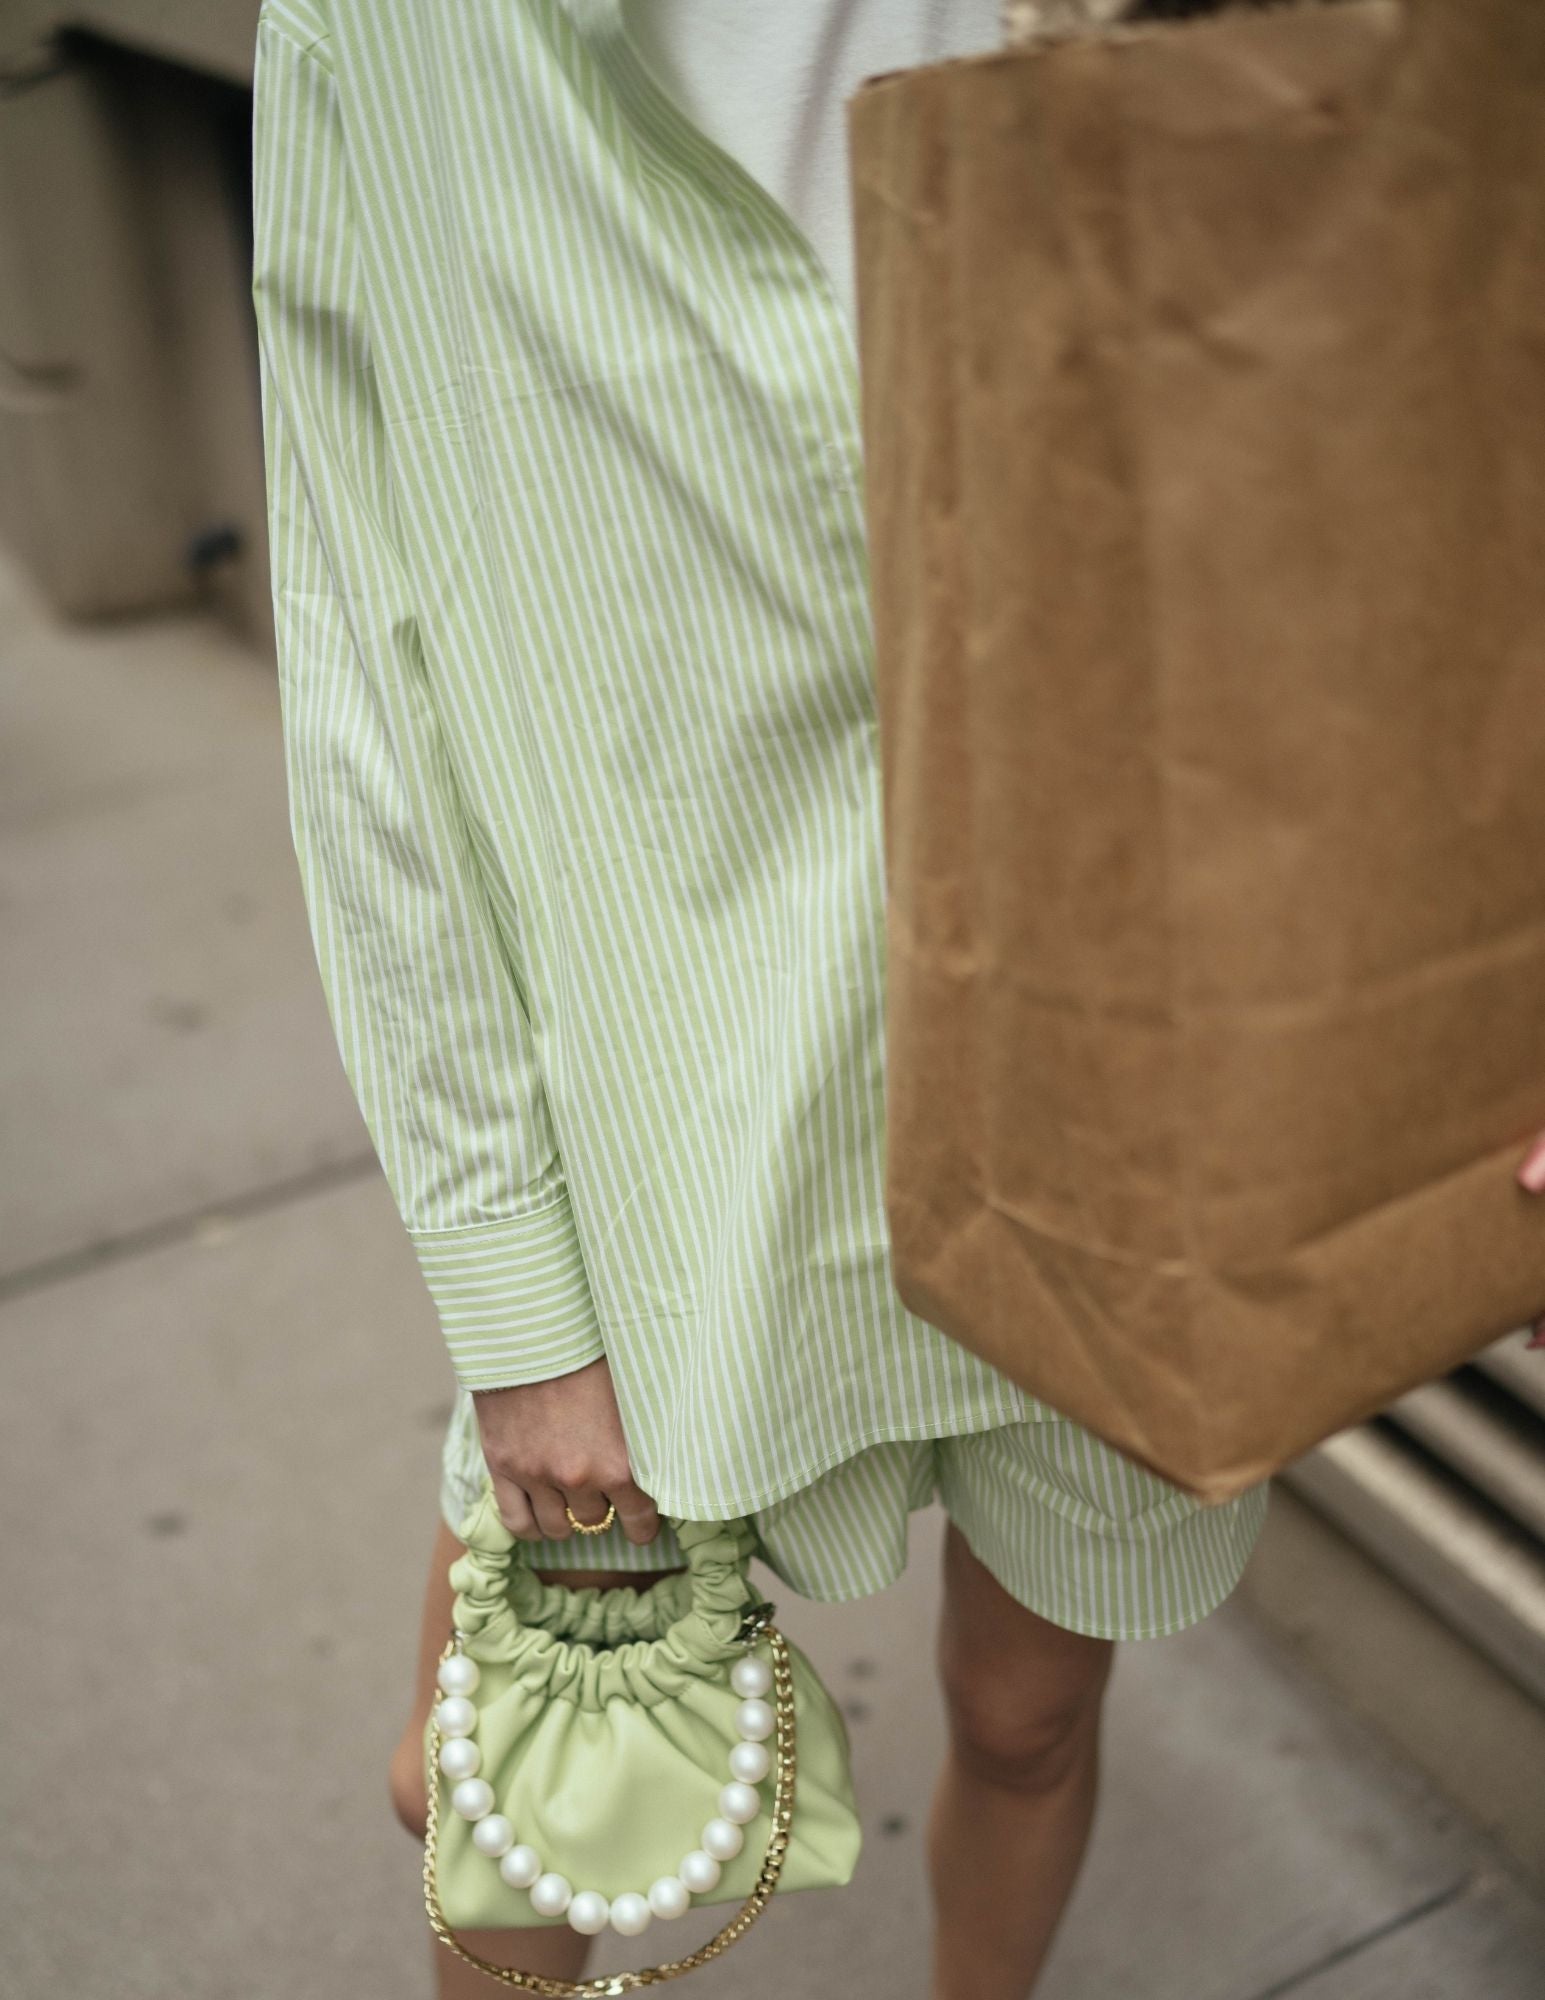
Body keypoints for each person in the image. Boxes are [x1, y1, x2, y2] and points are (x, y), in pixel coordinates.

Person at [250, 3, 1543, 1994]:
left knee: (1029, 1716)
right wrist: (514, 1309)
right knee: (520, 1799)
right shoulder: (394, 33)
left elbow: (1447, 387)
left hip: (1120, 1070)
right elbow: (364, 682)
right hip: (668, 1097)